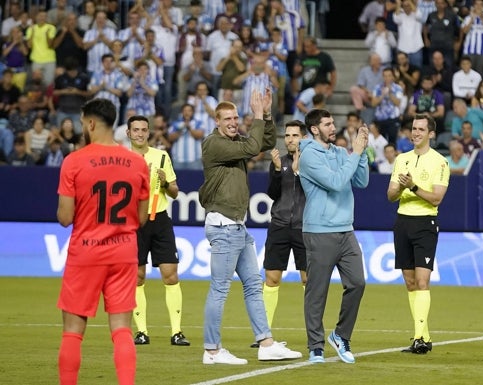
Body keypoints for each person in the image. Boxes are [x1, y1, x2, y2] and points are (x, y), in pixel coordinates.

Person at [199, 88, 302, 365]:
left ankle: (266, 344)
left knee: (254, 286)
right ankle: (211, 350)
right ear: (217, 122)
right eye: (227, 118)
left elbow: (265, 141)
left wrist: (266, 115)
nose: (233, 122)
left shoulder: (235, 141)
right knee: (220, 289)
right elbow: (252, 148)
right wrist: (256, 116)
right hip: (224, 225)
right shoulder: (213, 144)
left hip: (237, 227)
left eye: (235, 117)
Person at [56, 98, 150, 385]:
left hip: (85, 252)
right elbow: (142, 218)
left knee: (73, 330)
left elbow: (65, 217)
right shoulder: (137, 162)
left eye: (84, 123)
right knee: (121, 328)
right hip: (123, 252)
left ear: (91, 123)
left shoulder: (74, 161)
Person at [299, 108, 369, 364]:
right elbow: (337, 182)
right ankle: (315, 346)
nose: (333, 127)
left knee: (358, 283)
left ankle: (340, 335)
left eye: (332, 122)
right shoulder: (308, 156)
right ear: (315, 129)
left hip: (346, 230)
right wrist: (356, 153)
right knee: (317, 291)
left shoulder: (340, 153)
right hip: (319, 231)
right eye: (327, 124)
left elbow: (361, 181)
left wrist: (361, 153)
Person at [386, 113, 449, 355]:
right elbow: (390, 195)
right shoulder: (401, 159)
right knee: (410, 283)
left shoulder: (440, 162)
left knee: (422, 282)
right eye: (413, 129)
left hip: (425, 223)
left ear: (431, 134)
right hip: (403, 221)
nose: (415, 133)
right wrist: (401, 186)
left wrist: (412, 186)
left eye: (421, 129)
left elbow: (437, 198)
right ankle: (423, 336)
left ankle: (420, 338)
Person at [126, 115, 190, 347]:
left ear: (148, 132)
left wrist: (165, 183)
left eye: (144, 129)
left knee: (170, 275)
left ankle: (177, 332)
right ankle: (141, 331)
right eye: (136, 130)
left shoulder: (161, 157)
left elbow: (175, 192)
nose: (140, 133)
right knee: (137, 277)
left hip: (160, 220)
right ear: (128, 133)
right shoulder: (122, 159)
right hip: (134, 222)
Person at [261, 119, 308, 341]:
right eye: (287, 136)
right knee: (271, 278)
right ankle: (264, 332)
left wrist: (299, 172)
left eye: (294, 135)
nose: (290, 139)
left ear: (304, 138)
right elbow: (272, 193)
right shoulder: (278, 162)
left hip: (304, 227)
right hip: (279, 224)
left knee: (309, 280)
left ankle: (313, 332)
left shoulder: (312, 162)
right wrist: (278, 170)